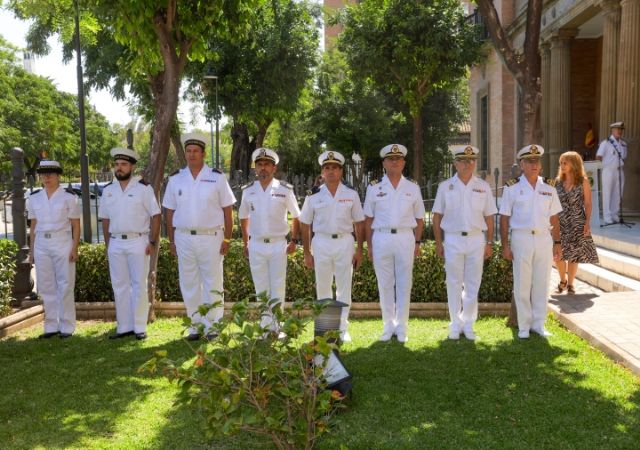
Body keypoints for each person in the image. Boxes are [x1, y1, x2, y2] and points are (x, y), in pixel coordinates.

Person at [162, 133, 235, 341]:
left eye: (196, 151)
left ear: (203, 154)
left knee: (213, 282)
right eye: (188, 151)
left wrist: (227, 239)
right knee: (189, 282)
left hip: (211, 237)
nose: (191, 154)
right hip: (184, 237)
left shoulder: (217, 177)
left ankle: (212, 326)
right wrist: (172, 241)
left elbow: (228, 210)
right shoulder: (176, 179)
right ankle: (195, 325)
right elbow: (169, 211)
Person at [432, 145, 497, 341]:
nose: (467, 164)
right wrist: (438, 243)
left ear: (475, 163)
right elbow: (437, 217)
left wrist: (490, 243)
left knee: (472, 283)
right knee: (453, 282)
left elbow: (489, 218)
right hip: (452, 239)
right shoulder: (445, 187)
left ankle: (468, 323)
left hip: (476, 239)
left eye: (471, 160)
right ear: (455, 163)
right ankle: (455, 324)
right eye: (463, 160)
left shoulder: (483, 187)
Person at [299, 151, 365, 342]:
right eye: (327, 168)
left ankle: (343, 328)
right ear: (322, 171)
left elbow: (359, 223)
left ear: (341, 171)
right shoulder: (313, 196)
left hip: (345, 241)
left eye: (334, 168)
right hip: (321, 242)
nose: (330, 171)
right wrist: (306, 252)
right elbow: (305, 223)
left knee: (344, 287)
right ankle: (327, 329)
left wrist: (360, 250)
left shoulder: (351, 194)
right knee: (323, 287)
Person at [499, 145, 562, 339]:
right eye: (530, 161)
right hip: (521, 237)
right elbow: (504, 218)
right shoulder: (512, 188)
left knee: (542, 282)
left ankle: (538, 324)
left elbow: (554, 218)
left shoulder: (549, 187)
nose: (535, 165)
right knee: (522, 282)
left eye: (537, 161)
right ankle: (524, 325)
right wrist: (505, 245)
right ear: (522, 164)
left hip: (544, 238)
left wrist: (558, 243)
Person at [363, 144, 425, 343]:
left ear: (404, 163)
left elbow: (420, 218)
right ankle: (388, 325)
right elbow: (368, 219)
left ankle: (402, 327)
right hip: (381, 237)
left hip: (405, 238)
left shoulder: (413, 187)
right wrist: (370, 246)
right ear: (384, 163)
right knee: (385, 284)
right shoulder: (374, 187)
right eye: (390, 159)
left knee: (404, 283)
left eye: (398, 159)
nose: (395, 162)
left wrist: (417, 242)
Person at [100, 148, 161, 340]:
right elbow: (105, 219)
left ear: (132, 167)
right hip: (116, 242)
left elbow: (156, 215)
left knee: (138, 285)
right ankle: (124, 326)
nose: (119, 168)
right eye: (117, 165)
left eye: (124, 164)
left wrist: (152, 241)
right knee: (119, 285)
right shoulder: (108, 190)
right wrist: (108, 243)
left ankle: (139, 326)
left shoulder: (144, 188)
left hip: (138, 241)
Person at [239, 148, 301, 331]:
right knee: (261, 287)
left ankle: (277, 326)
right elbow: (243, 217)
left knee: (278, 286)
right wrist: (246, 242)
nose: (263, 168)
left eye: (267, 164)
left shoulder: (284, 189)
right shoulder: (248, 191)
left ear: (274, 168)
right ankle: (266, 326)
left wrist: (294, 240)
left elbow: (296, 216)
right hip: (256, 244)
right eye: (259, 164)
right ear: (255, 168)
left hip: (278, 245)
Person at [27, 160, 80, 339]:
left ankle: (67, 326)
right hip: (42, 243)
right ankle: (51, 326)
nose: (46, 177)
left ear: (58, 176)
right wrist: (31, 251)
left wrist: (75, 247)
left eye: (50, 174)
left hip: (62, 242)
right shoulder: (34, 198)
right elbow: (33, 226)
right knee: (46, 285)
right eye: (43, 174)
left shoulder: (68, 197)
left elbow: (75, 224)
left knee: (65, 284)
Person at [555, 151, 599, 295]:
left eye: (565, 162)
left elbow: (588, 203)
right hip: (560, 222)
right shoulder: (557, 183)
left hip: (577, 221)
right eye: (561, 162)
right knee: (559, 253)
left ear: (574, 164)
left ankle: (571, 284)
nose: (562, 165)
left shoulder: (583, 181)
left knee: (574, 254)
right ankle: (563, 279)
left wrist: (587, 222)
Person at [596, 121, 627, 224]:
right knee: (607, 193)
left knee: (618, 194)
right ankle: (607, 216)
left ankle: (615, 214)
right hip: (608, 170)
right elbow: (598, 156)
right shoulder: (606, 143)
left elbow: (624, 157)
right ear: (612, 130)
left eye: (620, 129)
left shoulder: (623, 144)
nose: (619, 131)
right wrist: (603, 167)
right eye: (617, 129)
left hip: (619, 170)